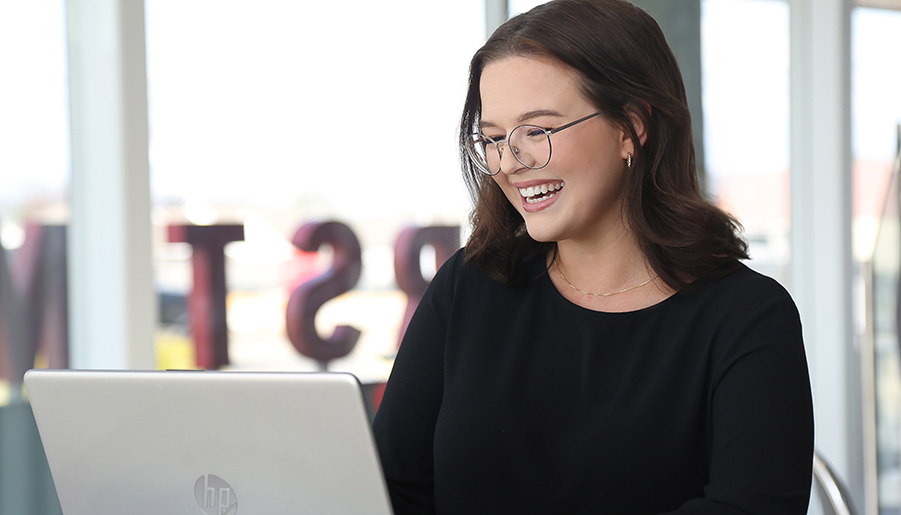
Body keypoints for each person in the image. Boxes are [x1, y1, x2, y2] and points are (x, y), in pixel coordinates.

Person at [372, 0, 814, 513]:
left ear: (631, 126)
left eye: (537, 130)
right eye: (492, 138)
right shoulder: (469, 287)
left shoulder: (748, 316)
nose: (511, 163)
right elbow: (391, 487)